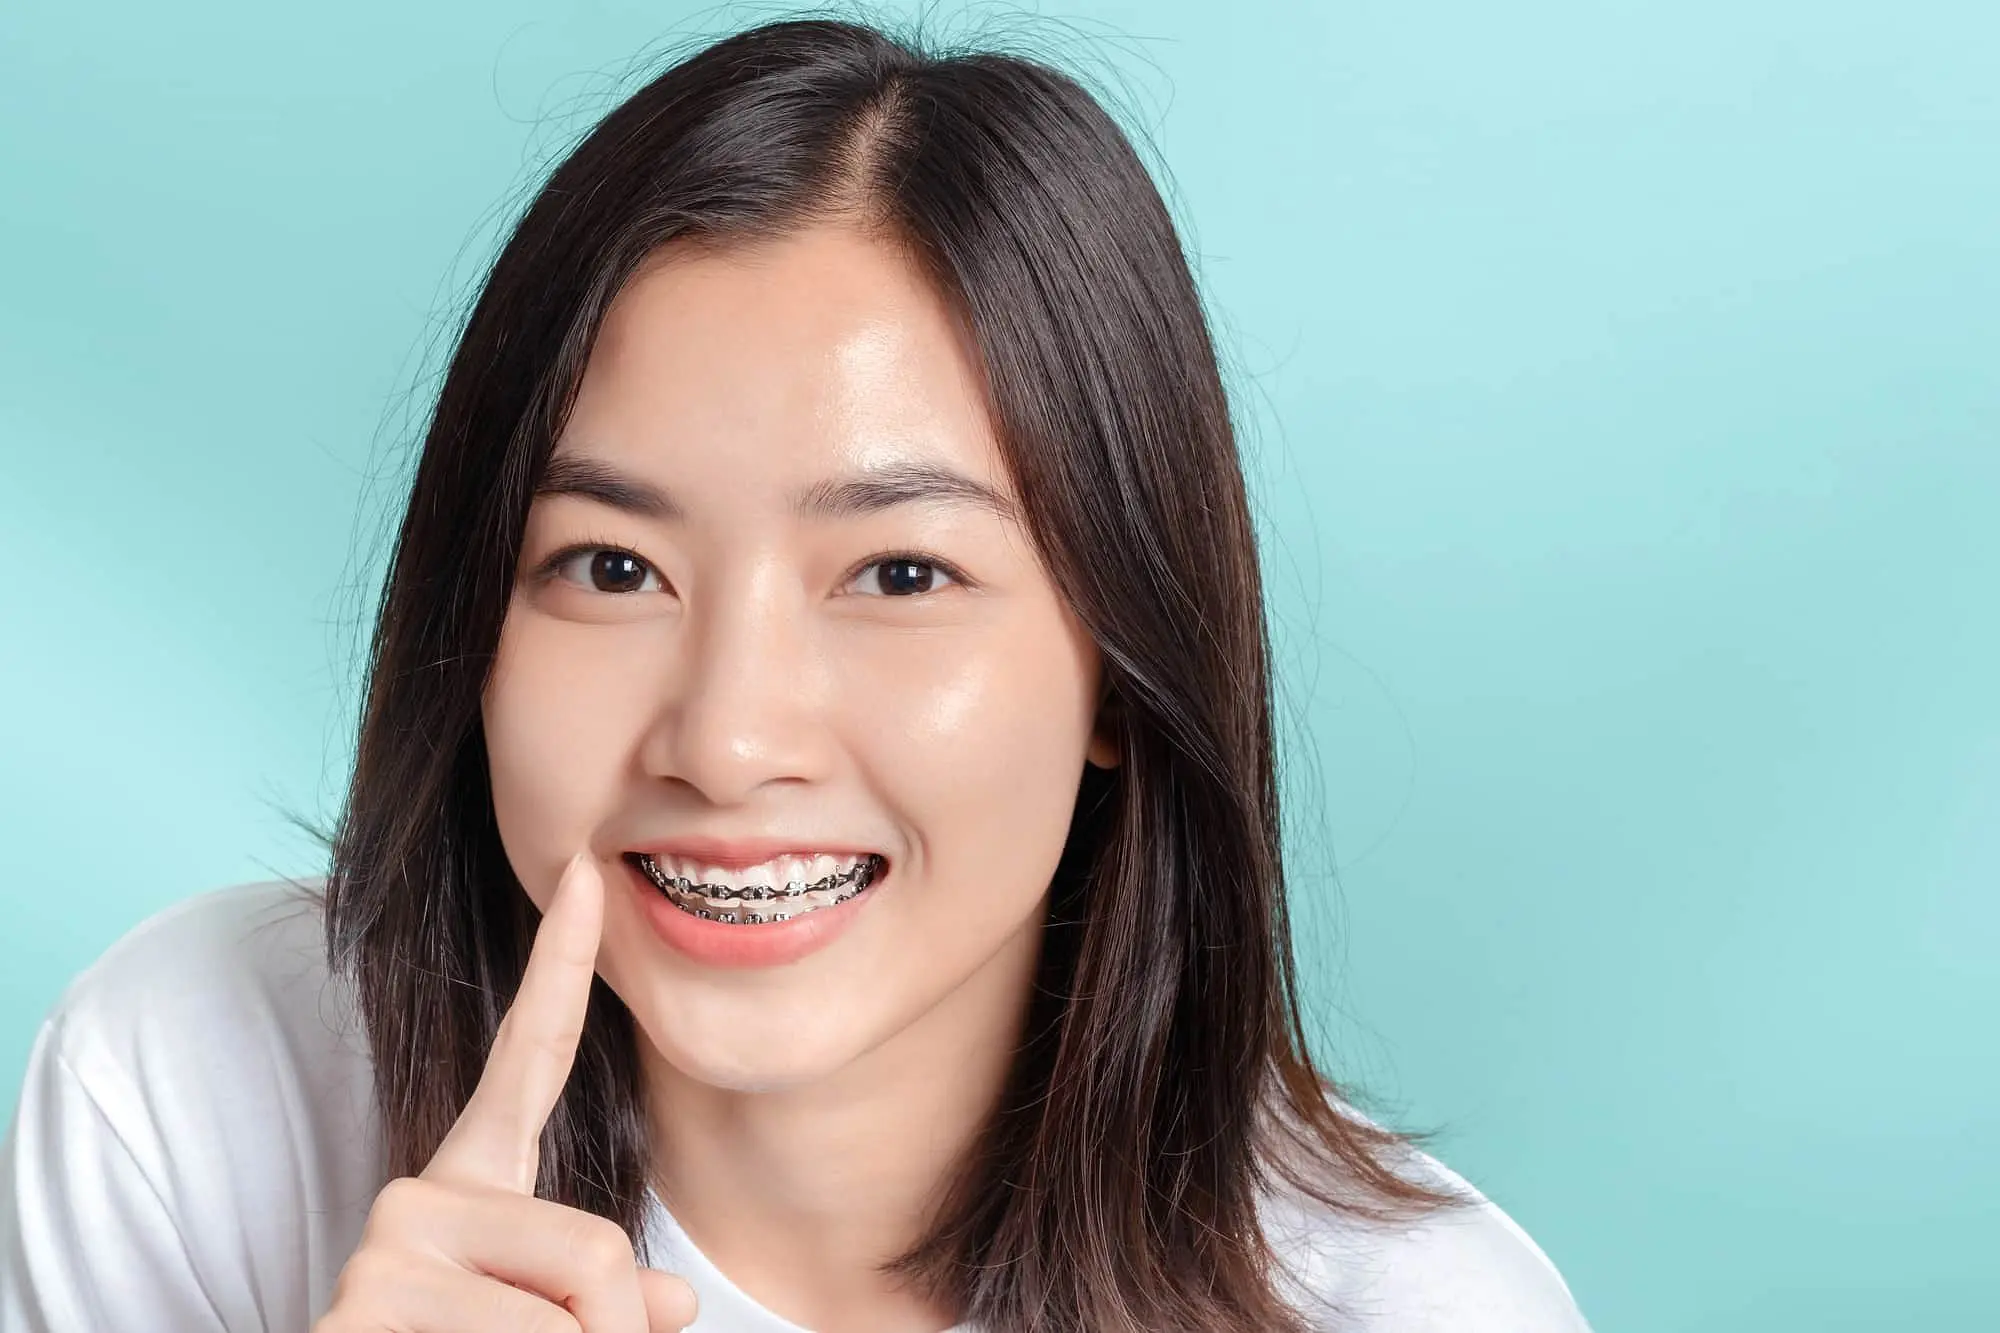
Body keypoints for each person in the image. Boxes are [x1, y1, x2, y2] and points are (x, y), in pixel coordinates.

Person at [0, 16, 1591, 1333]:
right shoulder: (207, 1086)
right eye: (613, 569)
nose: (731, 736)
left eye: (901, 575)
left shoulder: (1411, 1309)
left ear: (1117, 670)